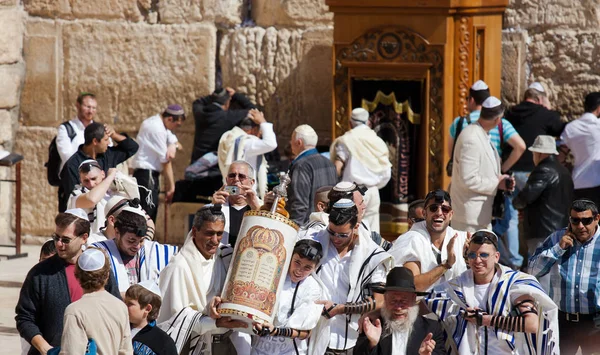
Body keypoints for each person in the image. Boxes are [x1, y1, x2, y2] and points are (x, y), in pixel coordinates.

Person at [427, 230, 559, 354]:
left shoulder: (515, 284)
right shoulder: (456, 287)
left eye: (483, 255)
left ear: (496, 257)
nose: (477, 260)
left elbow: (532, 324)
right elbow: (426, 304)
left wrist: (486, 320)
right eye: (472, 255)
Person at [15, 210, 120, 355]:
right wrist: (47, 349)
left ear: (84, 238)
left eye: (65, 240)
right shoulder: (40, 274)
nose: (58, 244)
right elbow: (24, 318)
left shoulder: (100, 270)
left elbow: (115, 310)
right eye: (56, 237)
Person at [302, 199, 394, 355]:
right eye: (331, 232)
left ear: (356, 226)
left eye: (342, 234)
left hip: (346, 340)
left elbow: (379, 301)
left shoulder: (372, 255)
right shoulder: (313, 240)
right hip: (308, 334)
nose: (336, 238)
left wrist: (340, 309)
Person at [158, 205, 249, 355]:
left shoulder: (225, 258)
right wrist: (214, 321)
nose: (215, 240)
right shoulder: (179, 267)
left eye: (219, 234)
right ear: (194, 231)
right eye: (209, 233)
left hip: (225, 344)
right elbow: (174, 319)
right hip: (193, 347)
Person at [222, 240, 324, 355]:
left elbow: (305, 333)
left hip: (289, 352)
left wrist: (276, 331)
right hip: (258, 349)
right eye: (297, 262)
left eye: (307, 268)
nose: (299, 271)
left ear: (315, 267)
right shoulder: (271, 274)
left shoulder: (312, 288)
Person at [528, 199, 600, 353]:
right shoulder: (556, 238)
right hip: (564, 322)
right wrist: (557, 249)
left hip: (595, 323)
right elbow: (532, 271)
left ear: (597, 219)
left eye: (586, 221)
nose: (580, 226)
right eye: (575, 220)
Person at [450, 96, 514, 232]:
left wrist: (502, 179)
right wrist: (497, 184)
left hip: (479, 217)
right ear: (497, 119)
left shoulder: (481, 134)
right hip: (469, 219)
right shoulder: (471, 138)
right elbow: (468, 179)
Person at [388, 189, 469, 291]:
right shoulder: (412, 240)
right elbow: (413, 285)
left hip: (458, 305)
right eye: (433, 208)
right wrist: (446, 265)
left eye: (445, 209)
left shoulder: (462, 239)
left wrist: (470, 258)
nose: (439, 213)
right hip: (422, 305)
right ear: (424, 213)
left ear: (451, 214)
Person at [355, 267, 445, 355]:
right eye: (393, 301)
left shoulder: (431, 328)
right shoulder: (372, 325)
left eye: (403, 301)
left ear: (413, 299)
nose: (398, 307)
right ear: (385, 299)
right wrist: (372, 344)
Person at [59, 248, 132, 355]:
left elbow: (71, 351)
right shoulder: (121, 307)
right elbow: (126, 351)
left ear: (77, 276)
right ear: (107, 275)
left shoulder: (75, 311)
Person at [330, 108, 392, 233]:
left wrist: (333, 188)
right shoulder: (378, 142)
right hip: (373, 191)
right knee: (372, 231)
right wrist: (374, 185)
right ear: (368, 122)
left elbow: (337, 166)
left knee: (351, 229)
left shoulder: (347, 140)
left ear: (350, 123)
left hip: (351, 191)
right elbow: (386, 173)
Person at [94, 204, 178, 294]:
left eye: (141, 241)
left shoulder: (155, 251)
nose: (137, 246)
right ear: (117, 232)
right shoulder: (100, 252)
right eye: (131, 241)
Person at [512, 135, 573, 255]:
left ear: (538, 153)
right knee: (555, 271)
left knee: (540, 271)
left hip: (543, 233)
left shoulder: (543, 170)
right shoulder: (564, 171)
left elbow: (526, 197)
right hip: (562, 231)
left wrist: (517, 203)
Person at [60, 122, 139, 212]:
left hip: (107, 213)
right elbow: (73, 197)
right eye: (106, 140)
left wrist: (114, 135)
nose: (109, 142)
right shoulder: (72, 165)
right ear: (95, 141)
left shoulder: (108, 155)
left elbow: (133, 147)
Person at [130, 104, 185, 221]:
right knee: (146, 216)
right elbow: (166, 160)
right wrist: (171, 187)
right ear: (170, 119)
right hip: (146, 176)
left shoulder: (158, 123)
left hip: (148, 176)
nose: (175, 128)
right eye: (176, 124)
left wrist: (172, 144)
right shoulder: (156, 128)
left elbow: (176, 143)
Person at [218, 108, 277, 199]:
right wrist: (263, 122)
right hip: (246, 196)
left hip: (231, 191)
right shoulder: (245, 143)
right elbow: (271, 143)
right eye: (260, 130)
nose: (260, 134)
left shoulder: (229, 138)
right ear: (254, 129)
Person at [288, 124, 338, 226]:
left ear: (299, 142)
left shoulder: (301, 165)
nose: (290, 143)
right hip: (328, 224)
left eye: (291, 140)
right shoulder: (329, 162)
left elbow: (299, 203)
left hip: (308, 227)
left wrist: (294, 228)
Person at [192, 87, 256, 164]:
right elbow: (254, 111)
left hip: (196, 164)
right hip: (214, 167)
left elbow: (197, 102)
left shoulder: (200, 113)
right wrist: (236, 95)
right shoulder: (229, 116)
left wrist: (215, 96)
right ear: (227, 102)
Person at [559, 92, 600, 207]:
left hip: (578, 183)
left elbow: (561, 156)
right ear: (598, 108)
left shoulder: (571, 127)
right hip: (597, 182)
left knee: (582, 221)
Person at [211, 160, 262, 248]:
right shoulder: (215, 205)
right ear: (227, 180)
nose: (236, 179)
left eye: (241, 176)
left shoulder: (263, 207)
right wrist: (213, 209)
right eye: (232, 176)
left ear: (252, 182)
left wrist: (257, 209)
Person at [125, 281, 178, 355]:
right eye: (124, 302)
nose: (124, 306)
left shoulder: (163, 342)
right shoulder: (120, 330)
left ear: (147, 309)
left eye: (130, 304)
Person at [67, 160, 118, 234]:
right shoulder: (76, 195)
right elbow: (92, 200)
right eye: (86, 181)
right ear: (80, 180)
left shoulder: (113, 193)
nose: (91, 184)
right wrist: (110, 176)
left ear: (103, 174)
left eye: (94, 178)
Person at [56, 92, 98, 173]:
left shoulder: (99, 129)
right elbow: (66, 156)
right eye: (88, 107)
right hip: (73, 177)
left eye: (94, 108)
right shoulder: (66, 129)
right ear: (78, 106)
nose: (91, 111)